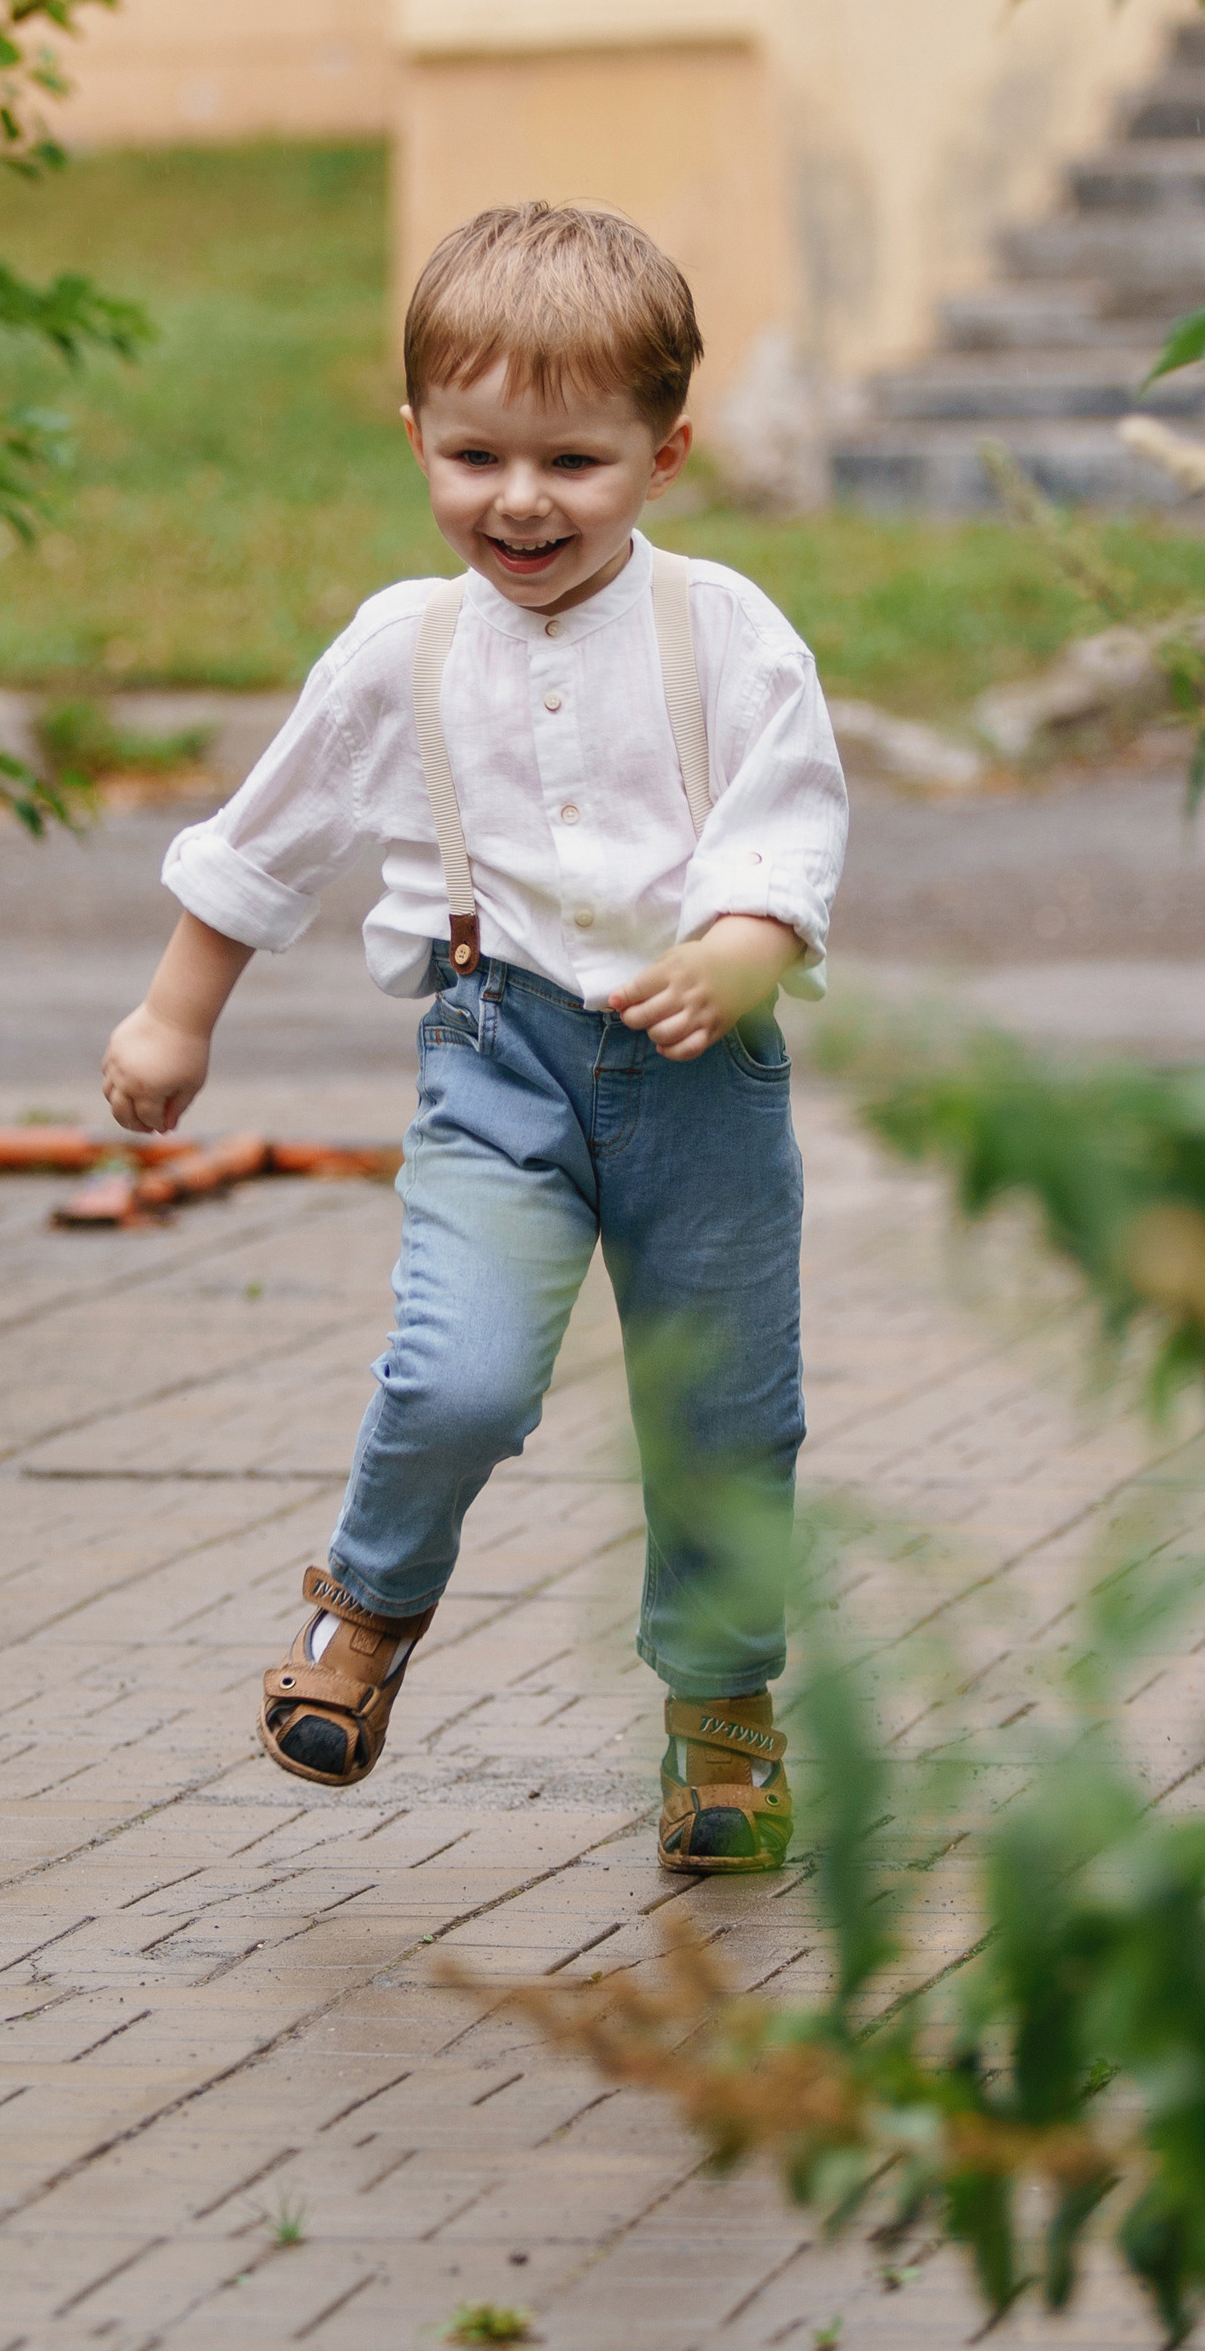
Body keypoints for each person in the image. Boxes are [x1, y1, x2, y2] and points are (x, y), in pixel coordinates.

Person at [102, 203, 847, 1874]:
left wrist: (742, 940)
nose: (520, 501)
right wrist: (174, 1013)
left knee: (728, 1411)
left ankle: (721, 1721)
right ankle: (367, 1605)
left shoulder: (727, 631)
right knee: (460, 1370)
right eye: (476, 455)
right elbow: (263, 839)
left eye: (573, 462)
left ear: (666, 452)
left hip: (697, 1078)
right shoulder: (403, 646)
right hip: (495, 1058)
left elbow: (787, 817)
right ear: (418, 438)